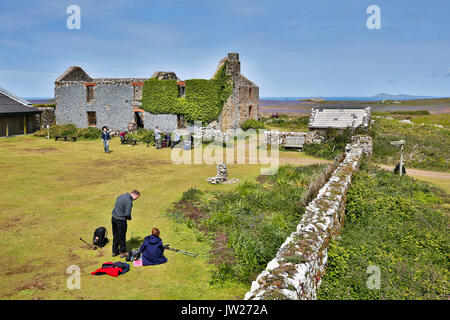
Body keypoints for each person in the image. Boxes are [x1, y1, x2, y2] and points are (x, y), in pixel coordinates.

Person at [111, 190, 140, 258]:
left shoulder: (121, 196)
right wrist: (129, 218)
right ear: (135, 195)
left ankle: (114, 252)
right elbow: (127, 214)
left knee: (115, 235)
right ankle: (123, 252)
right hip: (120, 220)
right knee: (122, 236)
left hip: (113, 218)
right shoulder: (129, 201)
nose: (135, 199)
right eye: (136, 198)